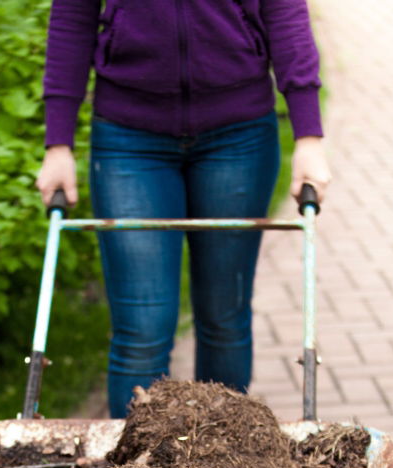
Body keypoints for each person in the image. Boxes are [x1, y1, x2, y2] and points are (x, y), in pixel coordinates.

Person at [37, 0, 331, 418]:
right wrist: (58, 143)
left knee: (224, 318)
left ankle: (222, 467)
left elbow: (285, 11)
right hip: (128, 137)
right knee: (141, 332)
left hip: (239, 135)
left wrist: (309, 136)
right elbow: (72, 16)